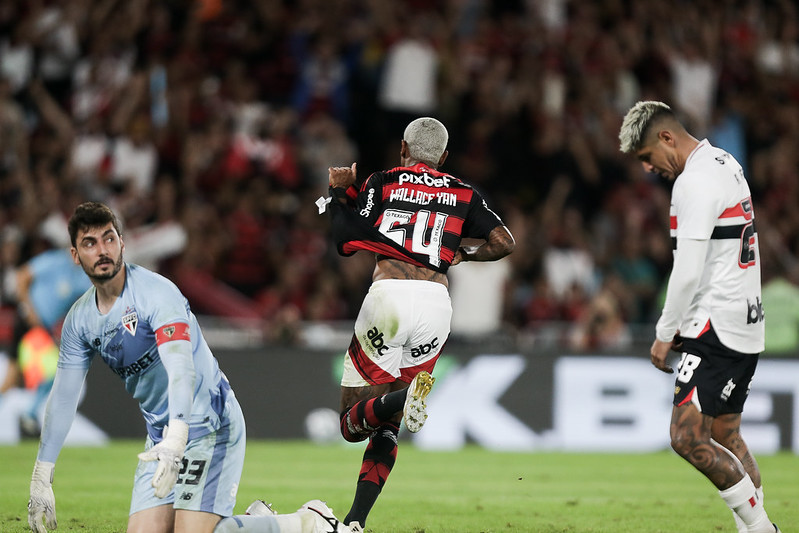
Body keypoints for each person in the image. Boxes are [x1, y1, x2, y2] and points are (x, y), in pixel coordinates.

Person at [27, 202, 350, 533]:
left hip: (208, 425)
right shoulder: (80, 321)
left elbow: (180, 366)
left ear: (122, 243)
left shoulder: (157, 294)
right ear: (75, 255)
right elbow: (64, 394)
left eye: (108, 239)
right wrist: (42, 472)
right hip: (160, 437)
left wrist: (178, 436)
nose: (102, 250)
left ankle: (307, 522)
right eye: (89, 243)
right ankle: (251, 521)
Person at [324, 117, 515, 530]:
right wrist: (464, 256)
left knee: (351, 423)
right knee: (387, 430)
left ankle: (402, 398)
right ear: (444, 158)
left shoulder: (383, 181)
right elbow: (503, 242)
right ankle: (355, 522)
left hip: (390, 298)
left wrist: (339, 191)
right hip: (436, 307)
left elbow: (343, 239)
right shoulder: (464, 192)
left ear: (402, 149)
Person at [618, 101, 779, 533]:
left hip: (716, 324)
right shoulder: (725, 162)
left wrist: (664, 332)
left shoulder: (693, 182)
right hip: (747, 320)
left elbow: (687, 271)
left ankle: (763, 529)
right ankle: (753, 527)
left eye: (648, 157)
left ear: (667, 138)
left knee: (687, 437)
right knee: (726, 435)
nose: (650, 169)